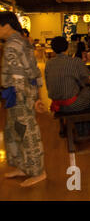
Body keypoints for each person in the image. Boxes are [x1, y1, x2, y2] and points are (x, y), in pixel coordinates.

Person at [0, 12, 46, 187]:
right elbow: (34, 70)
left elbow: (20, 76)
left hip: (19, 95)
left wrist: (30, 99)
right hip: (20, 94)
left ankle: (38, 171)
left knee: (27, 133)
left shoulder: (14, 45)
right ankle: (24, 166)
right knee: (15, 132)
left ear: (6, 26)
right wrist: (37, 95)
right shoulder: (21, 42)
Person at [45, 36, 90, 116]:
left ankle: (79, 127)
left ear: (53, 49)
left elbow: (47, 84)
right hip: (72, 104)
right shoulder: (75, 61)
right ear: (67, 47)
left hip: (56, 103)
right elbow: (86, 78)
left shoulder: (49, 63)